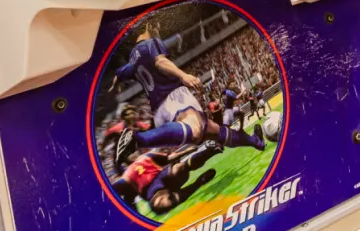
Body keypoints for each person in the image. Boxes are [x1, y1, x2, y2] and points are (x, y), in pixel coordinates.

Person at [110, 26, 265, 168]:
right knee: (196, 131)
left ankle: (256, 141)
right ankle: (137, 139)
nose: (158, 28)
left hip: (159, 112)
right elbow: (160, 61)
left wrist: (115, 84)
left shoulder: (132, 60)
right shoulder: (151, 43)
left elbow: (119, 74)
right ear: (147, 26)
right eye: (156, 25)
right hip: (174, 98)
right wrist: (184, 76)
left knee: (216, 132)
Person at [111, 141, 223, 216]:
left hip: (164, 179)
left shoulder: (144, 158)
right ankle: (199, 182)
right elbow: (111, 191)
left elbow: (168, 158)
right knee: (164, 201)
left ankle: (211, 150)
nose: (134, 152)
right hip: (155, 192)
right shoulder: (128, 175)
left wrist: (187, 151)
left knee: (179, 168)